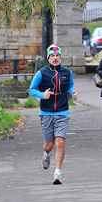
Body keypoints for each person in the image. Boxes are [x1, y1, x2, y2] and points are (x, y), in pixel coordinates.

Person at [28, 44, 76, 185]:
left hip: (62, 111)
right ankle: (46, 153)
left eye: (57, 56)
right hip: (46, 112)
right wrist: (43, 94)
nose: (55, 58)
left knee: (60, 142)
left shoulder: (67, 72)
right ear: (48, 58)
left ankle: (57, 173)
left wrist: (73, 92)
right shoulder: (42, 73)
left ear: (60, 57)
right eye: (52, 56)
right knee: (49, 144)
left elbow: (71, 86)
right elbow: (31, 90)